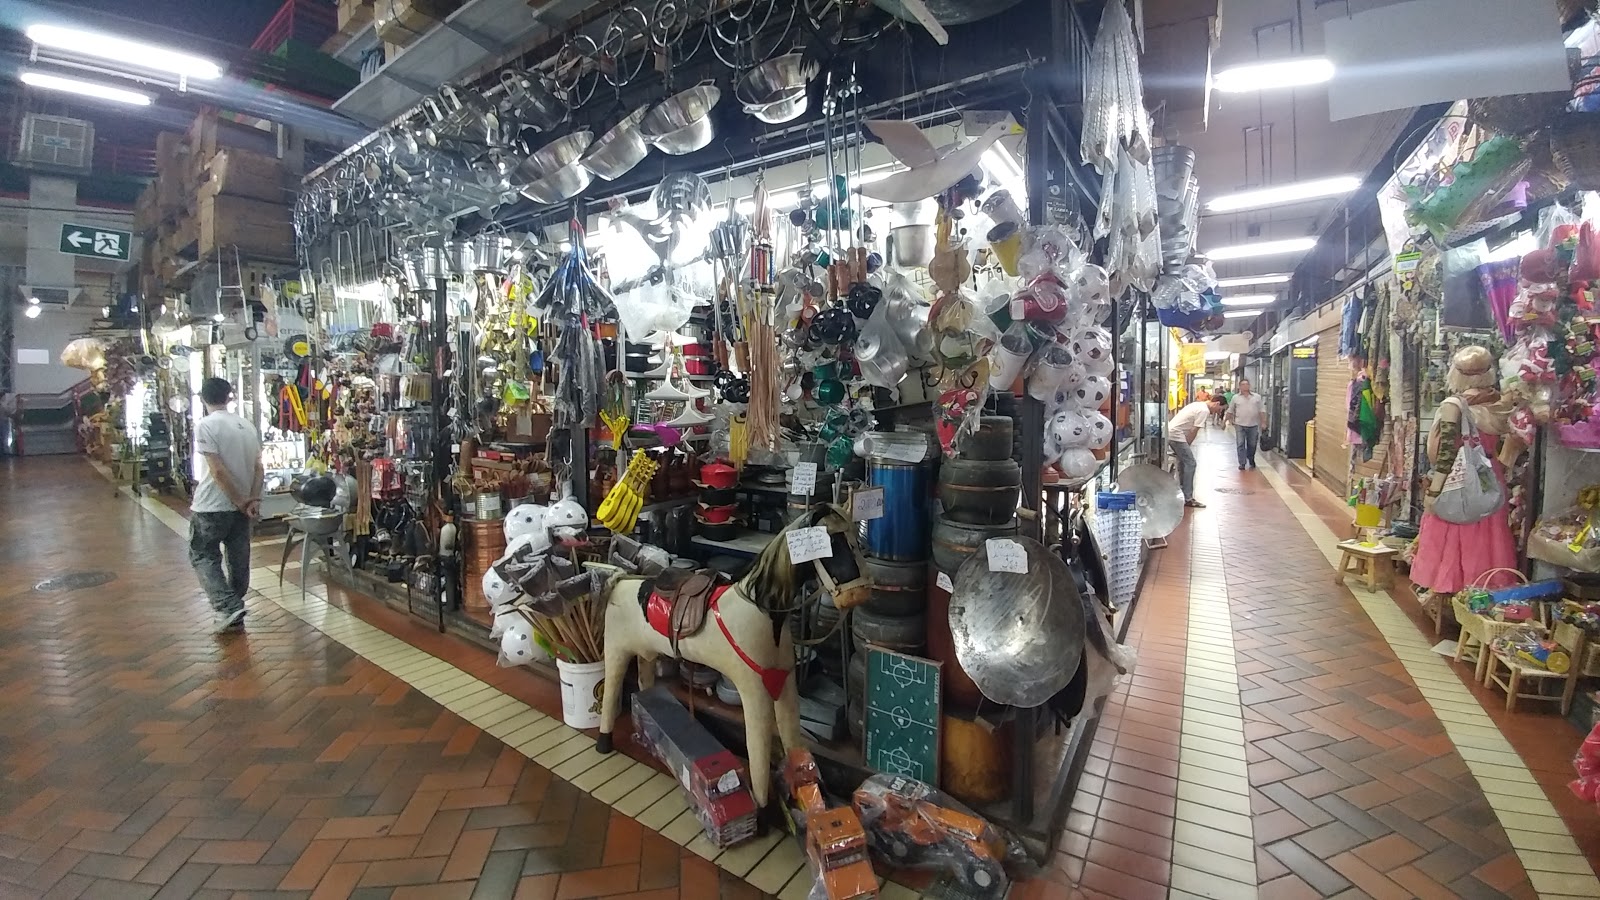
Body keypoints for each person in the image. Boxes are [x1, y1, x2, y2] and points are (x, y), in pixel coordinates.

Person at [190, 377, 263, 634]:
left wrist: (240, 500)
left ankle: (227, 605)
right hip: (241, 507)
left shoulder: (206, 426)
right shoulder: (247, 426)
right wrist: (252, 499)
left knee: (203, 555)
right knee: (238, 559)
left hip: (211, 505)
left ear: (203, 398)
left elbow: (217, 472)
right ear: (229, 396)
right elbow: (258, 467)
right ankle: (233, 609)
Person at [1167, 397, 1225, 509]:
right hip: (1177, 436)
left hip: (1172, 433)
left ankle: (1182, 493)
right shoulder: (1204, 411)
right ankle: (1188, 497)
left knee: (1183, 462)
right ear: (1216, 403)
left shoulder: (1198, 405)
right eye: (1220, 409)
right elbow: (1194, 430)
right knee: (1191, 463)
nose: (1219, 412)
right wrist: (1187, 444)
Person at [1226, 378, 1267, 470]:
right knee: (1240, 443)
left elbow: (1262, 410)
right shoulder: (1235, 398)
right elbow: (1230, 410)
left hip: (1253, 424)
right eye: (1243, 385)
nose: (1245, 386)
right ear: (1240, 387)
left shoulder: (1257, 397)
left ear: (1249, 386)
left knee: (1252, 444)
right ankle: (1242, 463)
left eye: (1247, 384)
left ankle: (1251, 458)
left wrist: (1263, 422)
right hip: (1239, 424)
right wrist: (1225, 421)